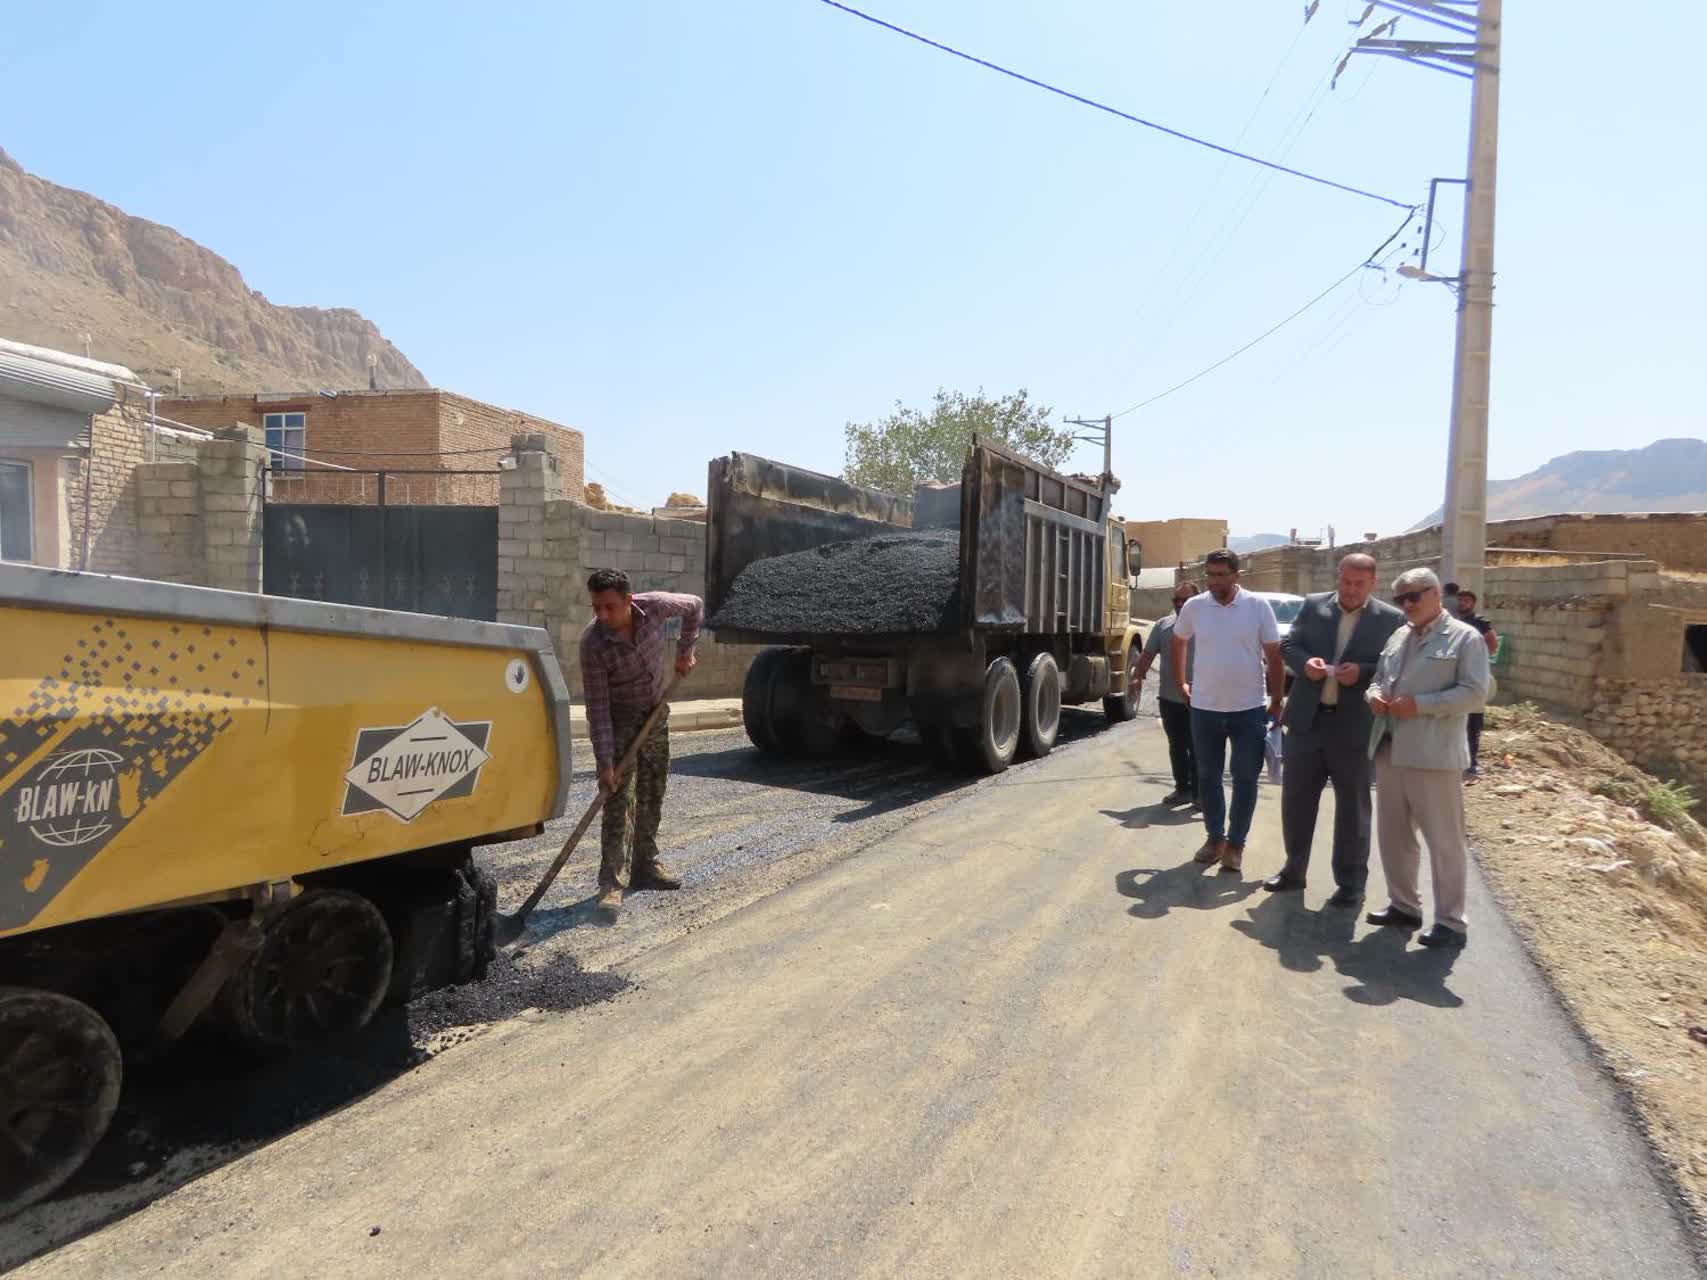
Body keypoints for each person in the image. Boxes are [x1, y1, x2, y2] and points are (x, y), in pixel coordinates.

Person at [1265, 554, 1403, 907]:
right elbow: (1288, 645)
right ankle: (1293, 870)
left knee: (1353, 809)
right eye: (1346, 582)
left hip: (1354, 727)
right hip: (1307, 723)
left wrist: (1362, 672)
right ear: (1337, 577)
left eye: (1359, 584)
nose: (1351, 590)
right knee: (1296, 802)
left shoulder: (1390, 619)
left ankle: (1351, 883)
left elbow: (1394, 668)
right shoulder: (1314, 606)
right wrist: (1304, 664)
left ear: (1372, 583)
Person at [1364, 567, 1491, 949]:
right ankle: (1404, 906)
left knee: (1444, 842)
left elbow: (1475, 694)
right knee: (1394, 837)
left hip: (1434, 755)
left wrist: (1421, 705)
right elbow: (1378, 678)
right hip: (1390, 749)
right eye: (1400, 598)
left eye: (1413, 596)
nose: (1406, 604)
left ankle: (1451, 922)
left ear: (1435, 594)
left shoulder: (1465, 638)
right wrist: (1372, 695)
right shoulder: (1399, 635)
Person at [579, 568, 703, 916]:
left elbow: (695, 606)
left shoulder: (656, 607)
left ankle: (645, 866)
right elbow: (598, 709)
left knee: (652, 792)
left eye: (609, 607)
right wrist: (605, 764)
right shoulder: (593, 644)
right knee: (619, 801)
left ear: (629, 600)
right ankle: (612, 883)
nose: (602, 615)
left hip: (656, 712)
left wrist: (685, 651)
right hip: (620, 721)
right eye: (596, 607)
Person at [1172, 549, 1283, 875]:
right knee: (1208, 777)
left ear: (1237, 575)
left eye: (1221, 575)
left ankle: (1236, 844)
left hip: (1248, 710)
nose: (1214, 581)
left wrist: (1277, 699)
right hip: (1204, 709)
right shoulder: (1195, 606)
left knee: (1245, 777)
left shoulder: (1257, 606)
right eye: (1210, 575)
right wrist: (1181, 682)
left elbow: (1274, 655)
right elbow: (1178, 641)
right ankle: (1215, 839)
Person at [1134, 581, 1199, 806]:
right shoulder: (1163, 625)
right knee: (1177, 746)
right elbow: (1148, 654)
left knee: (1198, 747)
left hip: (1201, 701)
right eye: (1176, 600)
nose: (1180, 604)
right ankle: (1183, 789)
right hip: (1170, 699)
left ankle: (1200, 794)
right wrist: (1137, 675)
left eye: (1185, 600)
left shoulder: (1209, 625)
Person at [1452, 587, 1500, 779]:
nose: (1462, 603)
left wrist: (1477, 659)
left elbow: (1493, 644)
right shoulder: (1453, 622)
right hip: (1455, 678)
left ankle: (1471, 763)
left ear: (1473, 604)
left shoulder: (1480, 623)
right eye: (1460, 600)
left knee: (1473, 724)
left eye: (1466, 600)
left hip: (1474, 678)